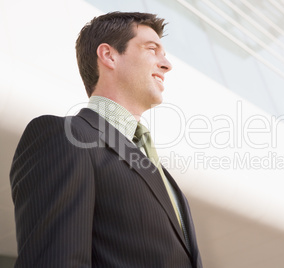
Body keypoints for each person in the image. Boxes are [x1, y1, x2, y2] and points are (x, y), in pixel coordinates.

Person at [9, 11, 202, 267]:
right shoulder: (65, 137)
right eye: (152, 49)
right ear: (109, 55)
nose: (166, 64)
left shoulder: (162, 176)